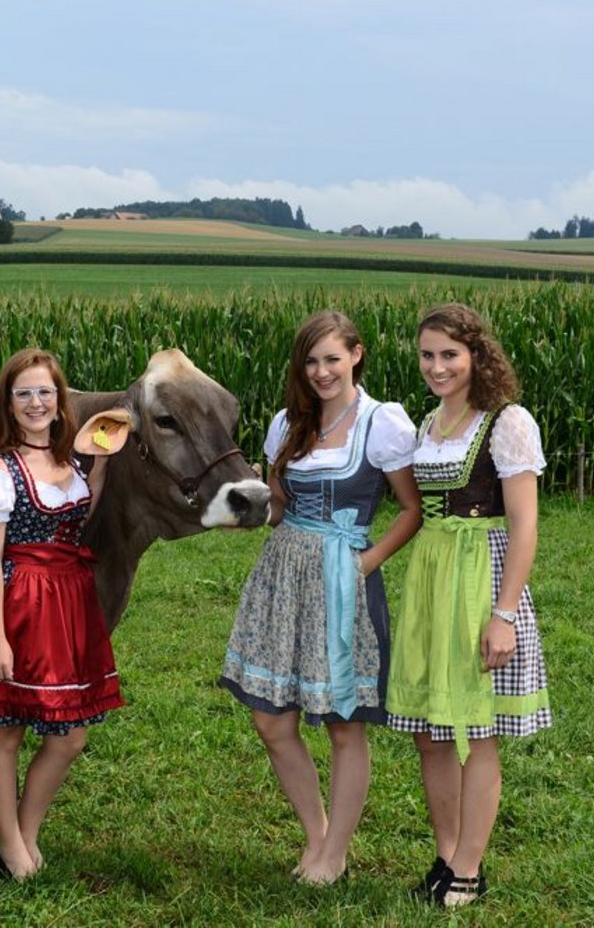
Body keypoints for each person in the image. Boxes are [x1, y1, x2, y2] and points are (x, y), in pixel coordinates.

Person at [220, 311, 421, 884]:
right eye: (311, 361)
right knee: (270, 718)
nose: (321, 371)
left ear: (357, 354)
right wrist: (249, 509)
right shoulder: (288, 423)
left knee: (342, 721)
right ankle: (316, 834)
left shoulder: (383, 423)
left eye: (332, 358)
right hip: (283, 573)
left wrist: (364, 564)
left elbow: (412, 509)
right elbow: (279, 506)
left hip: (342, 578)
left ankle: (335, 853)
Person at [386, 303, 551, 907]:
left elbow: (526, 525)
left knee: (477, 731)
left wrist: (503, 614)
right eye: (427, 355)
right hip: (432, 579)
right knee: (431, 732)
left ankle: (471, 867)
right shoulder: (430, 423)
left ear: (476, 355)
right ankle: (447, 853)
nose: (437, 367)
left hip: (481, 576)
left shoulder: (507, 421)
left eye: (449, 354)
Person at [0, 347, 125, 881]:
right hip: (22, 602)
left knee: (70, 734)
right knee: (6, 730)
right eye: (24, 393)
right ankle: (10, 845)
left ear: (61, 402)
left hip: (70, 601)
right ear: (8, 404)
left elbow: (83, 509)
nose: (36, 402)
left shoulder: (73, 463)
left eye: (45, 392)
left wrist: (100, 458)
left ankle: (26, 831)